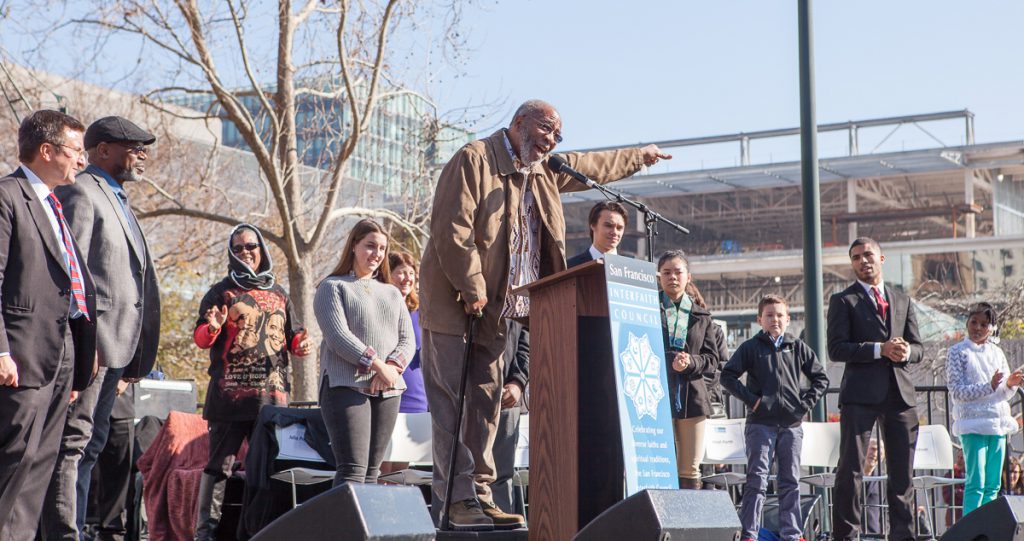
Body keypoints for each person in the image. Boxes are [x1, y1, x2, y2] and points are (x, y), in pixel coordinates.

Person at [419, 98, 671, 531]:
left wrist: (639, 158)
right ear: (518, 123)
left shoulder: (544, 170)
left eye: (557, 136)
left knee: (484, 408)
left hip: (501, 313)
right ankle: (456, 499)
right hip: (458, 306)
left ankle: (479, 494)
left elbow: (592, 164)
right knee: (454, 407)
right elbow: (451, 228)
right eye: (546, 130)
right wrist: (473, 288)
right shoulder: (474, 159)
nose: (551, 140)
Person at [42, 116, 162, 541]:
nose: (143, 154)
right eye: (133, 146)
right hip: (90, 347)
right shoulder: (80, 191)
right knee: (72, 443)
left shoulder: (120, 200)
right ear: (103, 150)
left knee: (91, 444)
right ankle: (61, 533)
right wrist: (82, 343)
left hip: (118, 351)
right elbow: (69, 275)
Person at [0, 110, 97, 540]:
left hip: (60, 356)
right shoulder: (7, 196)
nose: (81, 160)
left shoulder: (54, 204)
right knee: (13, 463)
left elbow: (69, 285)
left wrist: (76, 359)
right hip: (21, 357)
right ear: (46, 150)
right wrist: (0, 351)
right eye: (75, 150)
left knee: (40, 464)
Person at [192, 224, 310, 541]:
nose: (246, 252)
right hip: (228, 400)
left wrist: (301, 345)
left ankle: (260, 531)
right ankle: (206, 533)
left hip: (272, 402)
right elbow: (201, 339)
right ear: (232, 254)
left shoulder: (280, 293)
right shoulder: (220, 292)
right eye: (239, 248)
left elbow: (294, 338)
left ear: (262, 250)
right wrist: (214, 328)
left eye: (251, 246)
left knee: (269, 471)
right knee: (220, 468)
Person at [828, 237, 924, 541]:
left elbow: (920, 347)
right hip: (860, 396)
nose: (862, 261)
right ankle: (847, 536)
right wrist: (878, 349)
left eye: (867, 254)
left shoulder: (902, 300)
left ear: (881, 258)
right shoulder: (843, 301)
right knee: (850, 471)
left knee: (902, 475)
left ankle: (903, 535)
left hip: (900, 395)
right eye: (855, 257)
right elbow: (836, 349)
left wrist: (906, 352)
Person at [315, 219, 415, 487]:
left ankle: (364, 530)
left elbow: (408, 339)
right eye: (370, 246)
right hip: (344, 386)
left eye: (382, 248)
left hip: (389, 390)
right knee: (352, 471)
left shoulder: (392, 293)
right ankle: (341, 530)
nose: (377, 254)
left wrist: (391, 368)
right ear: (353, 246)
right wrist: (377, 365)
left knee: (373, 473)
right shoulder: (332, 287)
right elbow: (337, 337)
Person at [720, 294, 829, 541]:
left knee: (790, 481)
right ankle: (749, 533)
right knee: (756, 480)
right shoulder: (750, 347)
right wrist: (754, 401)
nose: (775, 319)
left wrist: (803, 406)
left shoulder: (798, 347)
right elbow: (727, 376)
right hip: (760, 425)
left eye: (780, 315)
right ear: (760, 319)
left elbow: (821, 379)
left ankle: (792, 534)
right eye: (769, 315)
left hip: (792, 426)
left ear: (788, 320)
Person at [946, 302, 1022, 514]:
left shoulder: (997, 353)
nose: (978, 328)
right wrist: (988, 386)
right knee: (976, 482)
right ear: (967, 322)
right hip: (972, 424)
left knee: (993, 485)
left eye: (984, 324)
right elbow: (957, 391)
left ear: (992, 329)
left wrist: (1010, 383)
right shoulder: (957, 352)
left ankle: (989, 530)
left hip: (997, 424)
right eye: (974, 322)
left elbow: (1003, 392)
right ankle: (971, 531)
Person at [656, 249, 724, 489]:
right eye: (666, 272)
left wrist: (690, 362)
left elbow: (712, 360)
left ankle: (688, 521)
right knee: (657, 462)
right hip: (656, 397)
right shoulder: (648, 309)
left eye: (678, 272)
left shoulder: (702, 316)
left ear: (688, 277)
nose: (672, 277)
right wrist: (670, 360)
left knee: (689, 468)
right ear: (659, 277)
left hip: (693, 398)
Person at [492, 320, 529, 515]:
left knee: (500, 475)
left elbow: (528, 336)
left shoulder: (518, 293)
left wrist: (518, 381)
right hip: (465, 393)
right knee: (461, 474)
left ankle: (501, 532)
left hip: (507, 396)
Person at [391, 252, 427, 414]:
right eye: (401, 272)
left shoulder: (422, 311)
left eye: (411, 273)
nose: (407, 278)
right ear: (387, 273)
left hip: (418, 396)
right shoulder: (380, 309)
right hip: (388, 394)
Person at [566, 201, 628, 268]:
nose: (614, 232)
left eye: (619, 228)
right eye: (608, 226)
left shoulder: (630, 269)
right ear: (593, 225)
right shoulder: (571, 266)